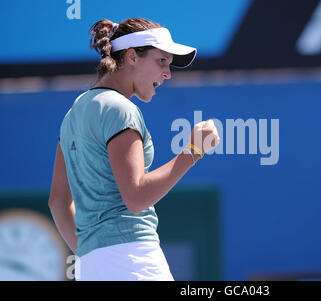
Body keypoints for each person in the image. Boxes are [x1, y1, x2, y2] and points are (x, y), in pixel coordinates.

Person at [48, 17, 220, 281]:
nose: (167, 73)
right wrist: (193, 152)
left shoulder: (72, 115)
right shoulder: (121, 109)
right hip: (134, 262)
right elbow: (136, 197)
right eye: (161, 61)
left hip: (91, 267)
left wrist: (90, 251)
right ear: (132, 57)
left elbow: (58, 201)